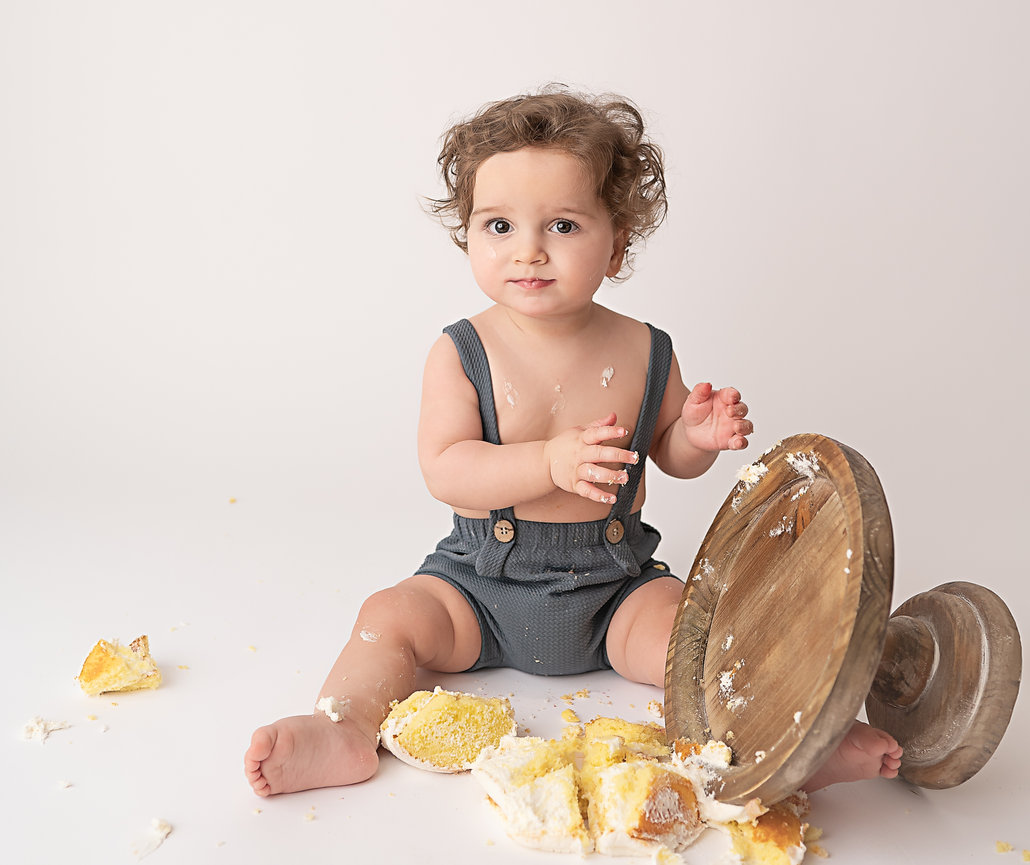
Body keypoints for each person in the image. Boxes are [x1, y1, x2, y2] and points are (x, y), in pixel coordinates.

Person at [245, 87, 901, 797]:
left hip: (613, 587)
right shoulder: (461, 351)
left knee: (701, 636)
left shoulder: (645, 349)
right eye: (498, 225)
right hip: (479, 585)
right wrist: (547, 461)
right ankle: (344, 726)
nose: (527, 250)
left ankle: (791, 741)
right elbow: (446, 468)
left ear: (616, 243)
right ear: (466, 233)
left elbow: (668, 453)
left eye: (560, 224)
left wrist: (695, 435)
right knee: (388, 615)